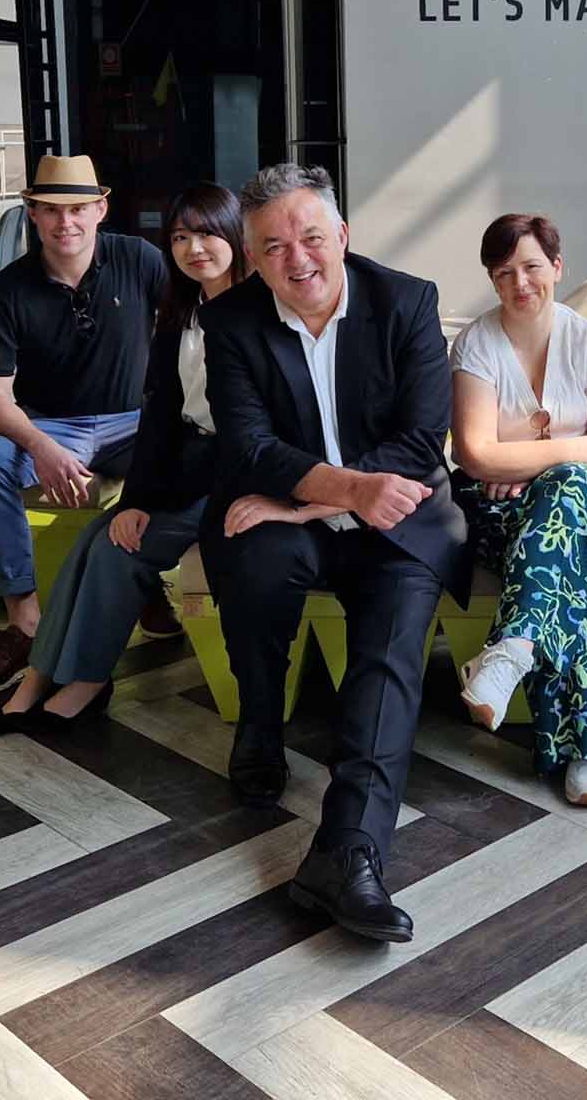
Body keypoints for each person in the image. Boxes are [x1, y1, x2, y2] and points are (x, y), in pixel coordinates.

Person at [200, 163, 467, 944]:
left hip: (399, 516)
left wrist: (329, 497)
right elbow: (249, 446)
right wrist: (328, 500)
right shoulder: (232, 323)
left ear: (343, 237)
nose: (298, 260)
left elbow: (420, 441)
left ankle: (348, 855)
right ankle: (259, 717)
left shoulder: (407, 301)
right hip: (285, 510)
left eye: (312, 237)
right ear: (251, 258)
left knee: (387, 658)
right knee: (250, 561)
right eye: (273, 247)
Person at [0, 183, 250, 736]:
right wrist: (138, 499)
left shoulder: (255, 314)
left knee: (115, 547)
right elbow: (163, 414)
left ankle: (83, 681)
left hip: (237, 478)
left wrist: (154, 500)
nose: (194, 248)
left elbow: (243, 434)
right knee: (94, 539)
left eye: (207, 234)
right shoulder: (184, 313)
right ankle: (40, 673)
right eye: (181, 236)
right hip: (184, 460)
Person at [0, 155, 169, 696]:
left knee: (188, 452)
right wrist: (40, 444)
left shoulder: (139, 259)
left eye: (77, 209)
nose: (64, 222)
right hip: (51, 425)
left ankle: (145, 584)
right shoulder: (9, 288)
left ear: (100, 209)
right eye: (51, 210)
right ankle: (23, 620)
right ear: (32, 213)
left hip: (133, 421)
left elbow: (191, 328)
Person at [449, 214, 587, 806]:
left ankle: (513, 650)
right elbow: (474, 456)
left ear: (557, 268)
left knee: (570, 488)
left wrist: (526, 462)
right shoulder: (476, 344)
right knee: (560, 564)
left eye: (532, 267)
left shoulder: (583, 337)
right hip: (504, 510)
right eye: (504, 273)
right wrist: (570, 449)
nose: (520, 283)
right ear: (492, 279)